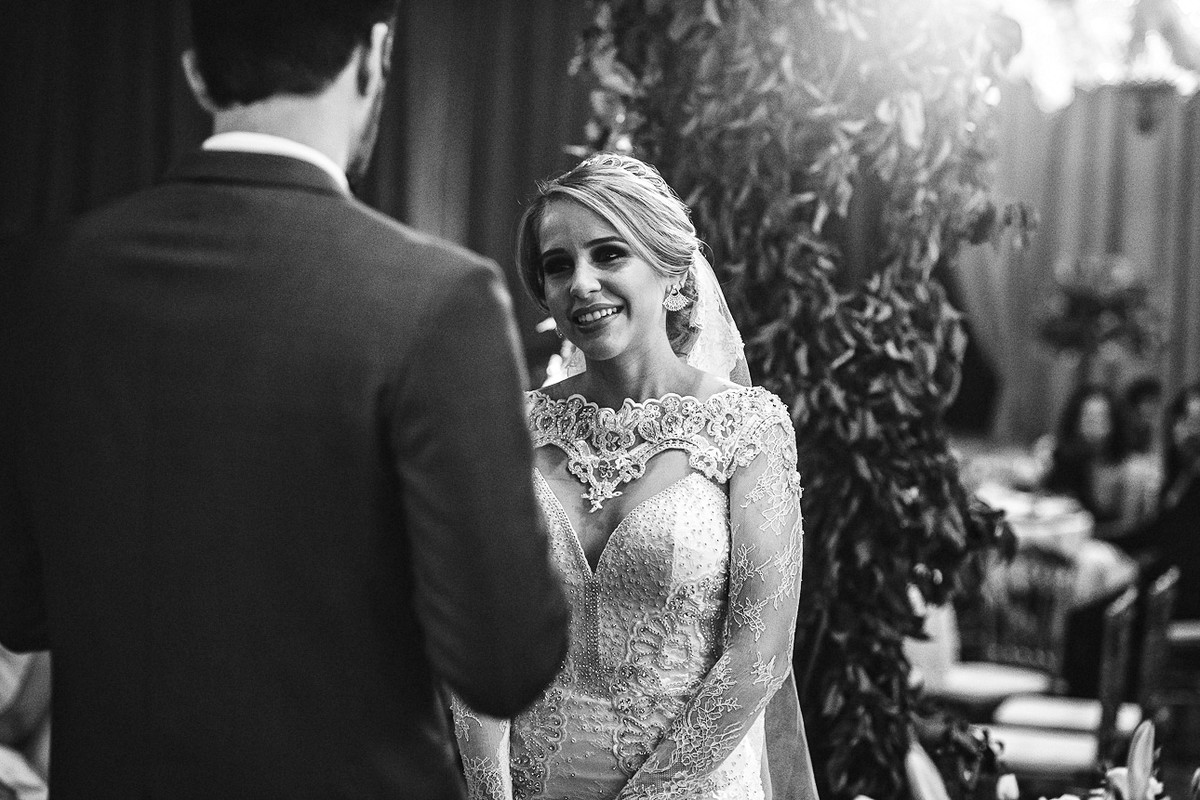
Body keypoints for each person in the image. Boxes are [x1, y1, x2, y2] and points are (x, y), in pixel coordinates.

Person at [0, 2, 569, 798]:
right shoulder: (438, 301)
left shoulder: (44, 281)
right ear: (374, 56)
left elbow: (19, 606)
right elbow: (506, 662)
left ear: (198, 75)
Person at [449, 153, 817, 800]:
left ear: (673, 276)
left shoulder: (748, 428)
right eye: (557, 265)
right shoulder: (509, 430)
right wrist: (489, 793)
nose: (581, 283)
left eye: (609, 254)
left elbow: (759, 653)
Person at [1119, 383, 1200, 619]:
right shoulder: (1181, 475)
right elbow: (1156, 533)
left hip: (1182, 596)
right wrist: (1102, 538)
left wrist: (1139, 568)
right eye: (1183, 420)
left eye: (1196, 423)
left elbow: (1186, 555)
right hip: (1165, 584)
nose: (1187, 431)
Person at [1042, 384, 1158, 539]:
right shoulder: (1073, 458)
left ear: (1115, 421)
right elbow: (1047, 498)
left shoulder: (1131, 468)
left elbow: (1129, 528)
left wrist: (1078, 534)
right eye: (1087, 417)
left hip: (1116, 545)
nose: (1092, 425)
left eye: (1100, 418)